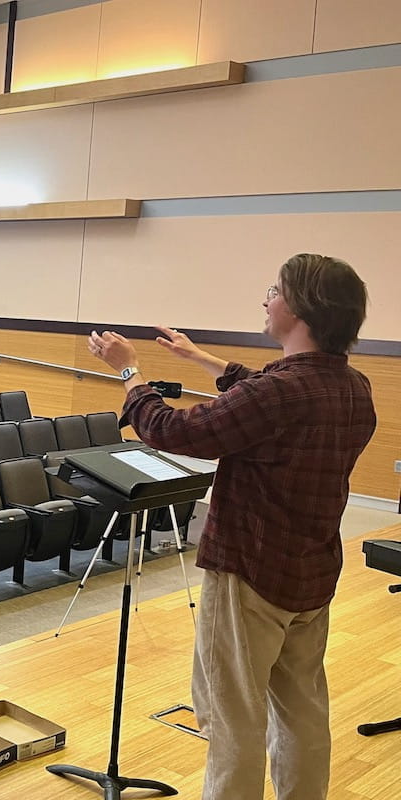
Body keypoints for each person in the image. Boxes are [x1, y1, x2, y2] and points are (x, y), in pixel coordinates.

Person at [87, 253, 376, 800]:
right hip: (311, 574)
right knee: (302, 711)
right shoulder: (352, 386)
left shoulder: (278, 394)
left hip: (250, 574)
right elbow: (265, 392)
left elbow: (172, 430)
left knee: (231, 719)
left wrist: (129, 372)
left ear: (301, 306)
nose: (266, 299)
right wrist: (199, 357)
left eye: (275, 290)